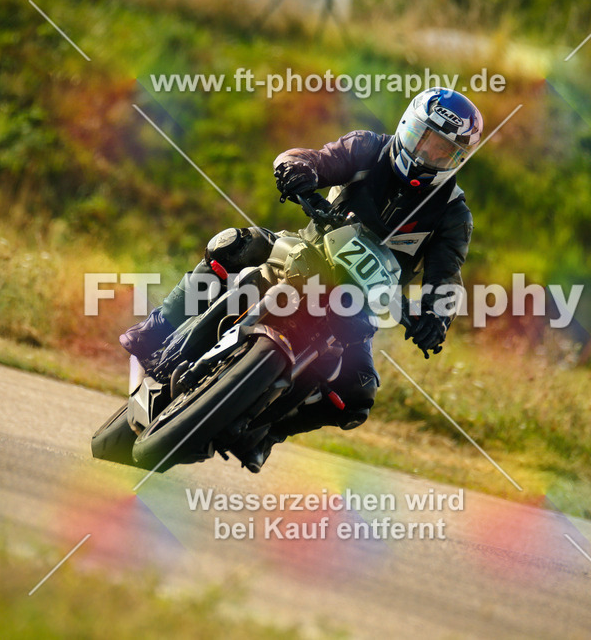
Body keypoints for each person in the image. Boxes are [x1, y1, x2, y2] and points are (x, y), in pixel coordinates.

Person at [119, 87, 482, 471]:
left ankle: (266, 433)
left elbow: (448, 277)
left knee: (358, 396)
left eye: (444, 151)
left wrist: (436, 318)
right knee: (234, 246)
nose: (429, 155)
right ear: (408, 126)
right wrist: (297, 170)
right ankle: (155, 332)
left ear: (458, 158)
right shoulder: (367, 147)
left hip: (356, 306)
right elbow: (316, 158)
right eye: (424, 140)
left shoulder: (452, 215)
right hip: (302, 256)